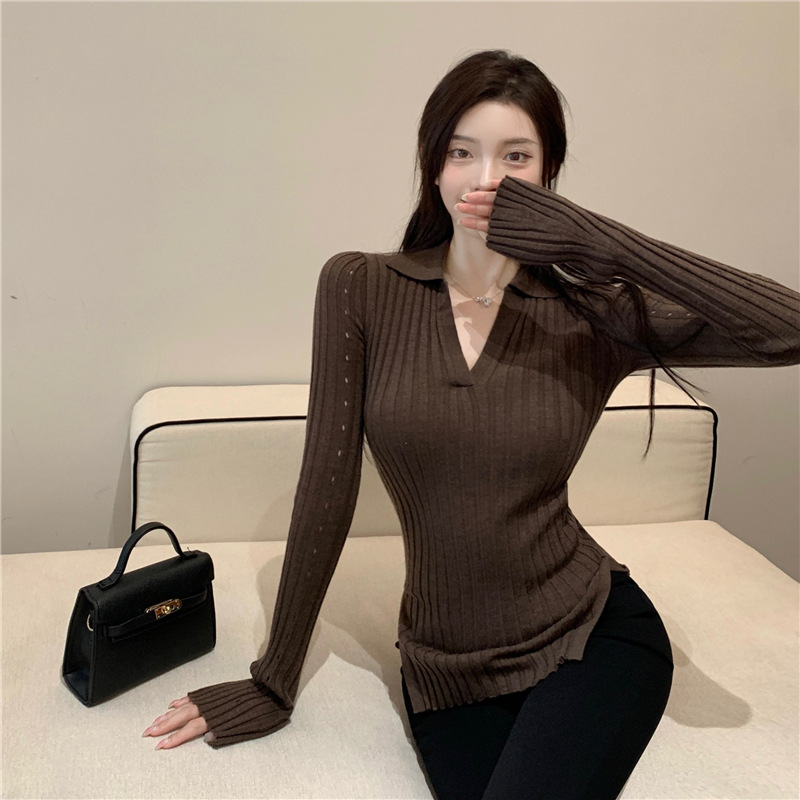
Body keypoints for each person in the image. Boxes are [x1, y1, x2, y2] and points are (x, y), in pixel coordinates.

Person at [141, 50, 800, 799]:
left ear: (549, 176)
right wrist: (274, 680)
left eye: (515, 157)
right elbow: (326, 488)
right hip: (446, 671)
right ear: (433, 166)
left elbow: (788, 330)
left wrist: (599, 242)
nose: (485, 180)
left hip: (591, 633)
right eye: (461, 153)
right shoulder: (360, 286)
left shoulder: (593, 316)